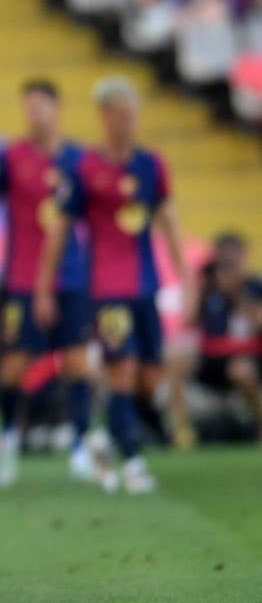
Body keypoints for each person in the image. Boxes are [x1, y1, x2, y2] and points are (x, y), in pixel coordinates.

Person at [36, 77, 191, 494]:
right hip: (106, 290)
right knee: (122, 370)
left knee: (149, 378)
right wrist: (45, 286)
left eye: (133, 115)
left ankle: (104, 436)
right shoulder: (84, 168)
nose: (127, 123)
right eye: (120, 115)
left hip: (146, 287)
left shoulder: (151, 165)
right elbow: (60, 231)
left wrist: (186, 278)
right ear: (103, 116)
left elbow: (170, 225)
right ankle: (134, 463)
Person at [0, 80, 95, 487]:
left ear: (58, 109)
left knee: (78, 363)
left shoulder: (80, 159)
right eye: (28, 107)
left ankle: (80, 447)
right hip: (22, 279)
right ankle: (8, 439)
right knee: (12, 369)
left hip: (72, 278)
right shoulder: (9, 158)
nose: (34, 114)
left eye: (41, 106)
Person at [167, 233, 262, 444]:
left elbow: (258, 324)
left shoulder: (254, 287)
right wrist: (197, 287)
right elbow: (189, 322)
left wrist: (237, 296)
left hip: (247, 357)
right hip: (212, 358)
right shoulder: (208, 288)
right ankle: (181, 430)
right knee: (176, 359)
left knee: (240, 370)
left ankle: (259, 423)